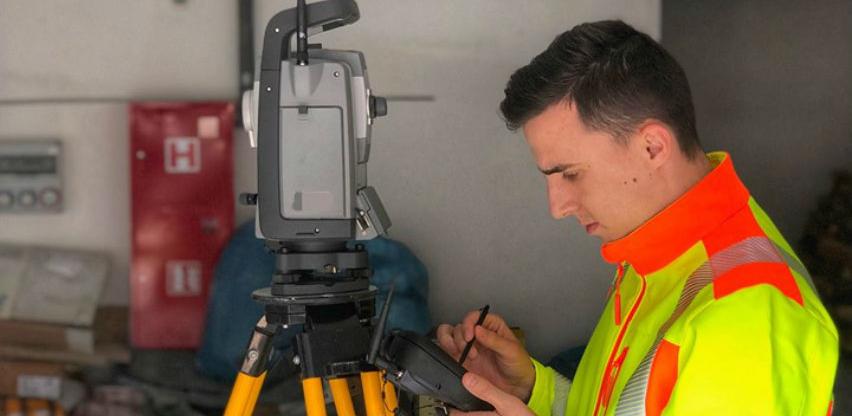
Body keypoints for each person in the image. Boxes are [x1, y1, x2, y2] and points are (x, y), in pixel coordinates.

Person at [437, 20, 838, 415]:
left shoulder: (744, 320)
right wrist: (531, 390)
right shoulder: (653, 254)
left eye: (570, 173)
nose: (557, 207)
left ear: (652, 147)